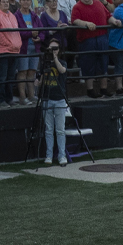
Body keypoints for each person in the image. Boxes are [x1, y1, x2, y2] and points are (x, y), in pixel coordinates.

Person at [38, 36, 68, 164]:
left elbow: (62, 70)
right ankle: (48, 155)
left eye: (55, 49)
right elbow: (39, 82)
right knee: (48, 129)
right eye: (51, 49)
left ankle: (62, 155)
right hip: (47, 98)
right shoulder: (44, 63)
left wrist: (55, 58)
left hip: (59, 99)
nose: (53, 51)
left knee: (60, 129)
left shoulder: (63, 62)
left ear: (59, 50)